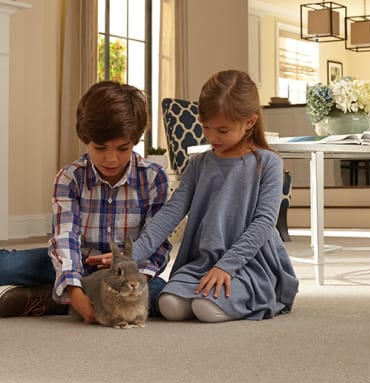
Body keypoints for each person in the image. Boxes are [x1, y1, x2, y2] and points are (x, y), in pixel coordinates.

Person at [90, 69, 299, 322]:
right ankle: (209, 290)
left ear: (250, 122)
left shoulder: (268, 163)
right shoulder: (199, 164)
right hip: (202, 261)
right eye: (205, 127)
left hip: (248, 262)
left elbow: (264, 223)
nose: (211, 137)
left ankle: (252, 294)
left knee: (206, 309)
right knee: (169, 305)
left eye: (222, 130)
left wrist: (226, 266)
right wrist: (131, 256)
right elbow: (171, 213)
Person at [0, 81, 171, 322]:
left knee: (165, 299)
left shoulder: (154, 178)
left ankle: (49, 299)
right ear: (85, 138)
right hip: (77, 264)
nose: (111, 158)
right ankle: (64, 295)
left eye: (123, 148)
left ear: (135, 141)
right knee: (9, 266)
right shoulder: (70, 178)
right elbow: (64, 239)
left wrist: (134, 279)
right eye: (100, 148)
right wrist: (74, 289)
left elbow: (158, 244)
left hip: (127, 277)